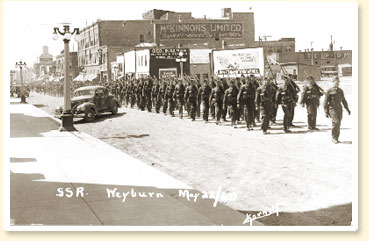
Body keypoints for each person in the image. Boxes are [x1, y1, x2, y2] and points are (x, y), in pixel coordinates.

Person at [323, 77, 351, 144]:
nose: (337, 83)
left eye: (338, 82)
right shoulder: (329, 91)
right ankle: (334, 138)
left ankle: (337, 138)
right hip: (332, 108)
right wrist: (326, 111)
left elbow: (344, 101)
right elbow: (325, 102)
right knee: (336, 122)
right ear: (333, 82)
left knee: (338, 123)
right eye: (336, 82)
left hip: (339, 108)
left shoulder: (340, 91)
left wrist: (347, 109)